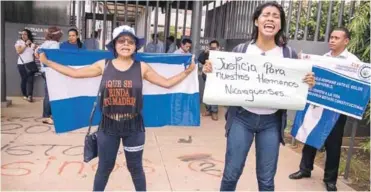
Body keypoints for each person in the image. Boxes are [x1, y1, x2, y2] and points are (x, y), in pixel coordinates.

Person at [38, 25, 195, 191]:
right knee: (104, 168)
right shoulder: (103, 65)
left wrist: (188, 71)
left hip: (134, 127)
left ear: (135, 46)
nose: (126, 44)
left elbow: (167, 83)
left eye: (130, 41)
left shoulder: (142, 67)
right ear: (114, 45)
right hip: (108, 126)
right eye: (121, 41)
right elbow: (74, 73)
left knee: (135, 168)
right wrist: (47, 62)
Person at [202, 2, 315, 191]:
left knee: (266, 180)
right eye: (266, 14)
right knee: (231, 174)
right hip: (241, 118)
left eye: (276, 16)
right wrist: (210, 71)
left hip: (271, 122)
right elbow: (223, 77)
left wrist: (308, 82)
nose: (271, 18)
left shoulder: (288, 54)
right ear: (256, 21)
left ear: (280, 24)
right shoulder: (241, 51)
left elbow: (297, 87)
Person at [288, 27, 360, 192]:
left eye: (336, 38)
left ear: (346, 41)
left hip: (336, 110)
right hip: (318, 105)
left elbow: (355, 88)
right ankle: (305, 169)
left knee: (333, 145)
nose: (332, 40)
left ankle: (330, 180)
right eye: (331, 37)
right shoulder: (323, 59)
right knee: (311, 136)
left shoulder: (353, 62)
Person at [35, 26, 64, 125]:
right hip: (51, 71)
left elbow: (36, 53)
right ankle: (47, 116)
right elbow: (55, 59)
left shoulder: (44, 44)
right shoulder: (55, 45)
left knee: (49, 93)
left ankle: (48, 114)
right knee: (50, 94)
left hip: (44, 71)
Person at [198, 40, 220, 120]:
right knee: (206, 93)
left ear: (218, 47)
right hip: (206, 76)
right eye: (211, 47)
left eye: (214, 48)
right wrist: (204, 52)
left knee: (214, 93)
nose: (213, 49)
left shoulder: (221, 55)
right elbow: (200, 59)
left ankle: (214, 112)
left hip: (215, 77)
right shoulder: (206, 53)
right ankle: (208, 110)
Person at [14, 29, 37, 102]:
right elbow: (19, 51)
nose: (23, 35)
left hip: (31, 64)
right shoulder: (19, 42)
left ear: (28, 35)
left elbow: (36, 53)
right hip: (22, 64)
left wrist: (35, 48)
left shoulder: (32, 44)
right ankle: (25, 95)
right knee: (24, 80)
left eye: (25, 34)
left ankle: (30, 96)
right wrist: (26, 44)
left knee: (31, 80)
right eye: (22, 34)